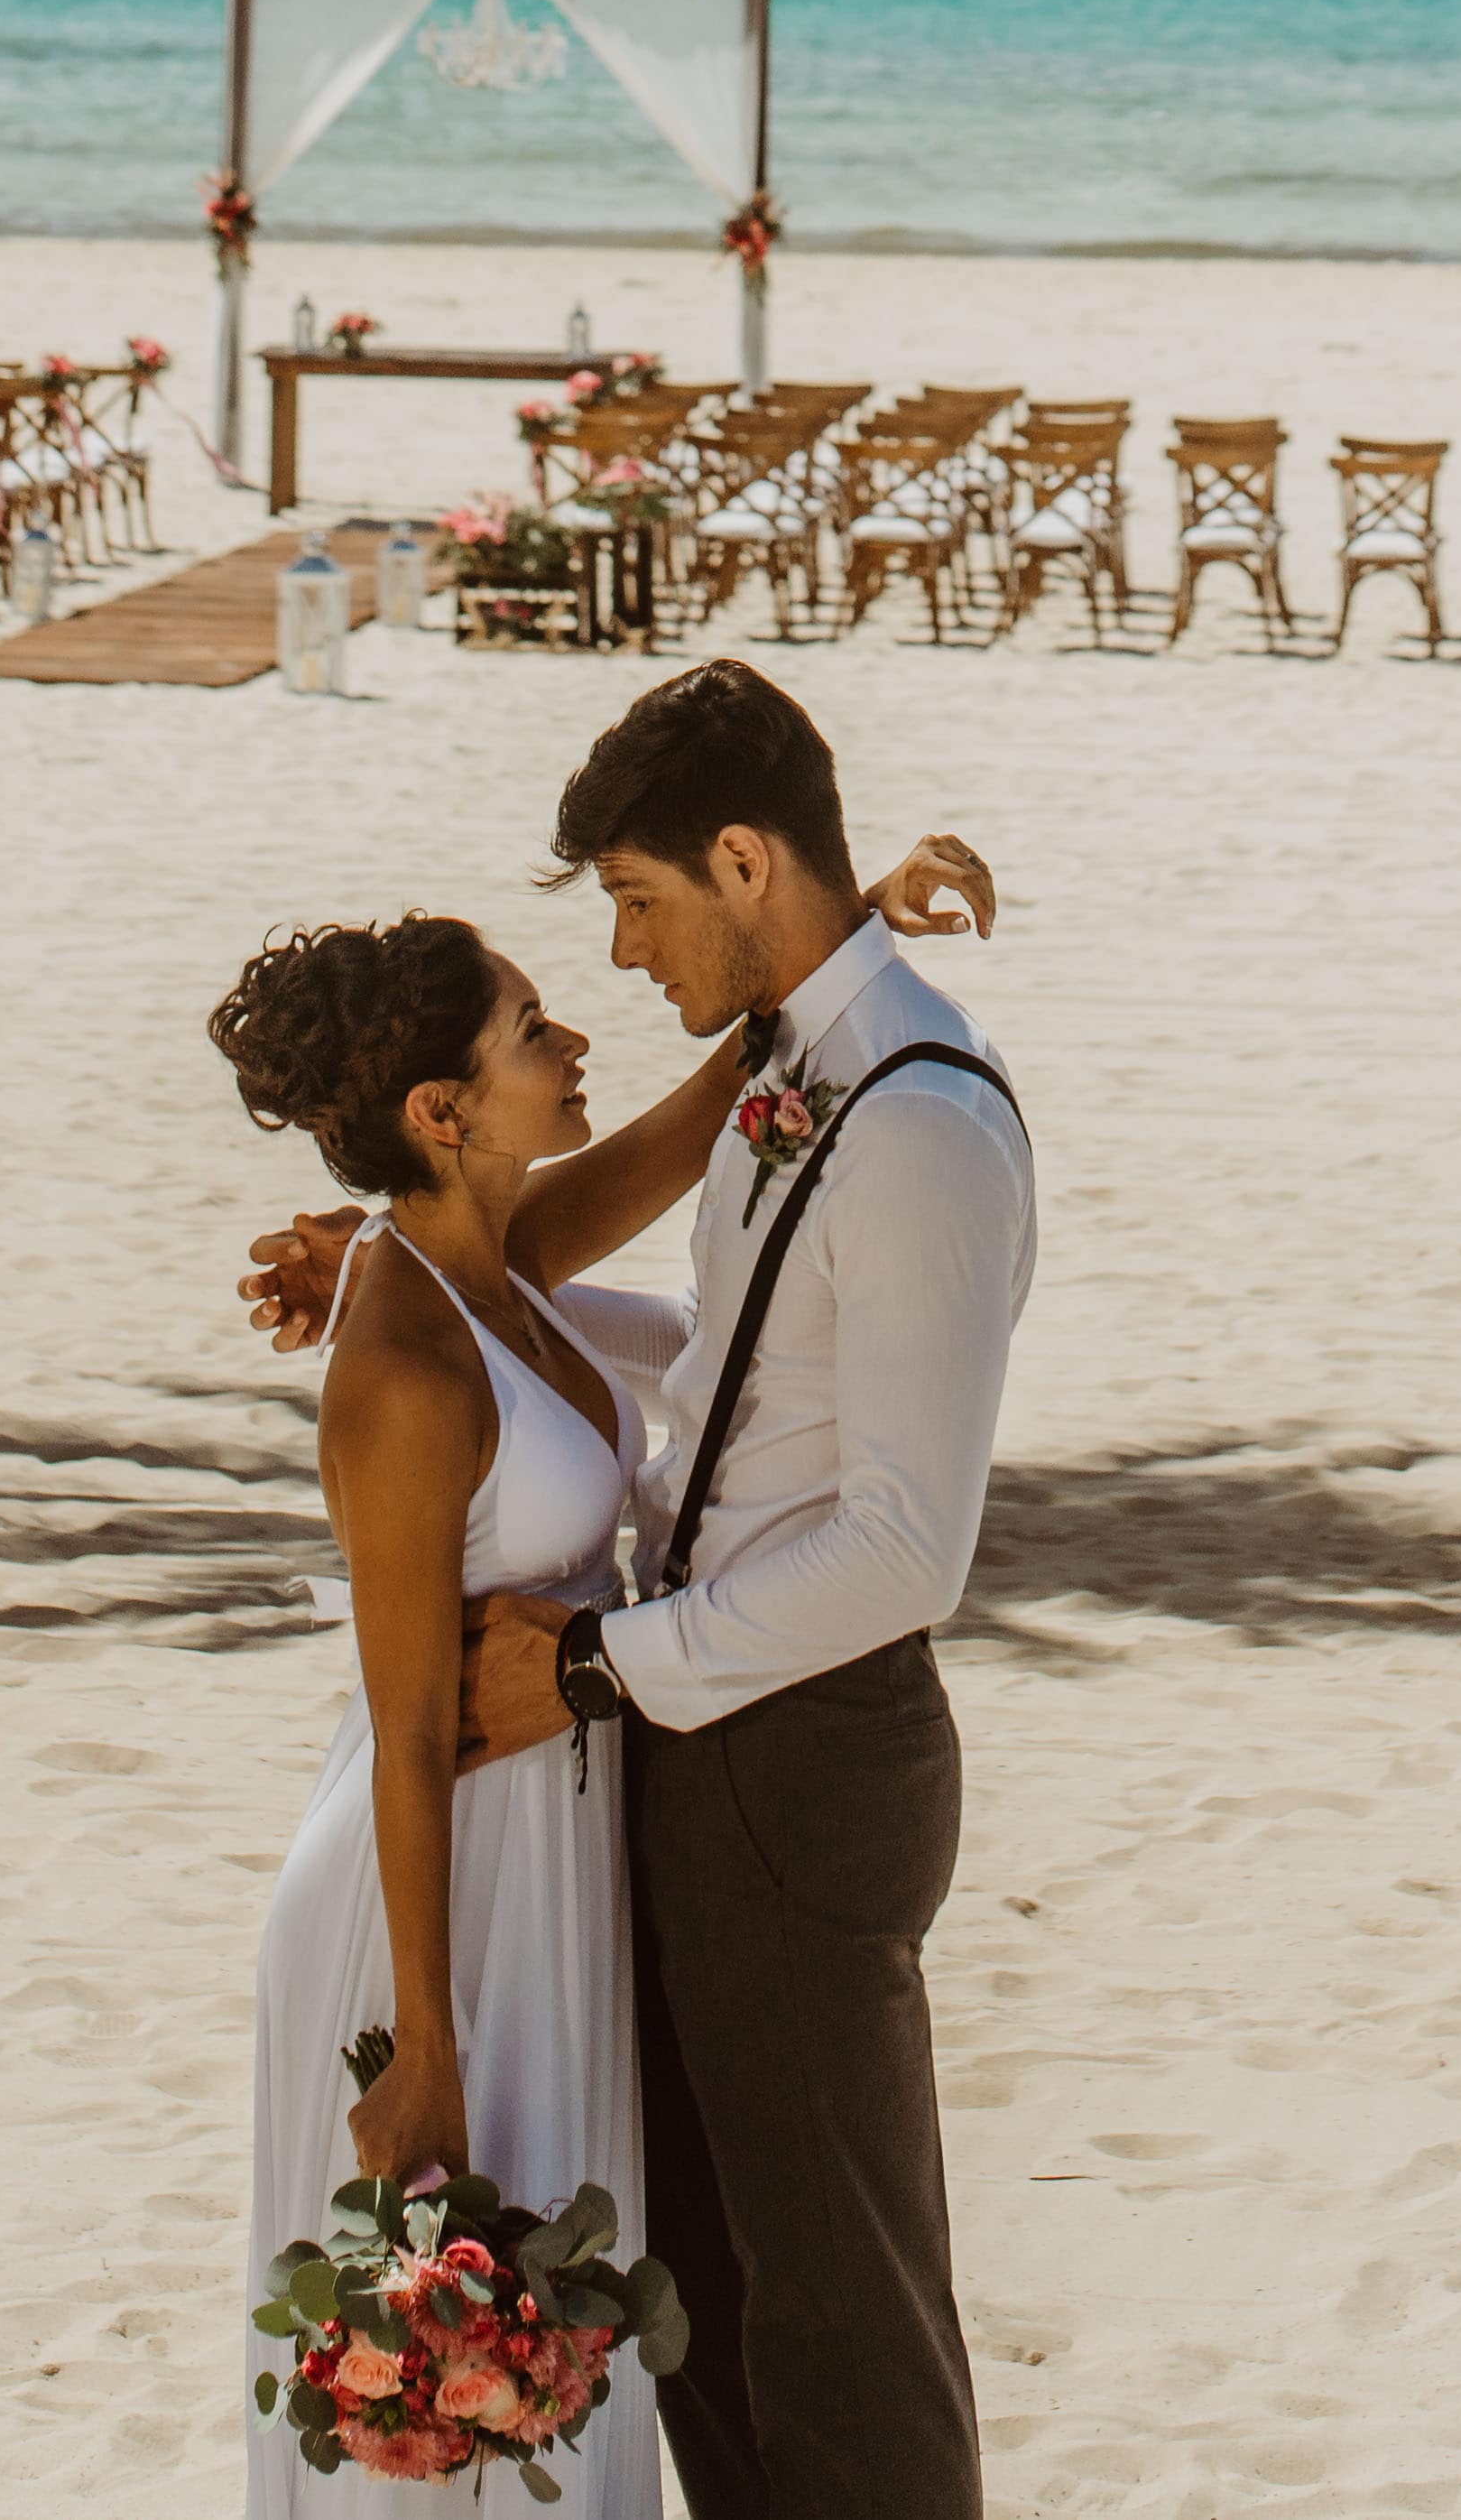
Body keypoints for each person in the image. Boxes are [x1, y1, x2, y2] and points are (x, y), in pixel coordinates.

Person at [223, 761, 1003, 2520]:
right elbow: (408, 1726)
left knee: (559, 2380)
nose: (572, 1023)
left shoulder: (497, 1261)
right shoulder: (409, 1347)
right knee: (454, 2393)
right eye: (526, 1024)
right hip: (443, 1885)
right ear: (445, 1110)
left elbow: (683, 1180)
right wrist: (423, 2041)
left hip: (560, 1862)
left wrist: (830, 940)